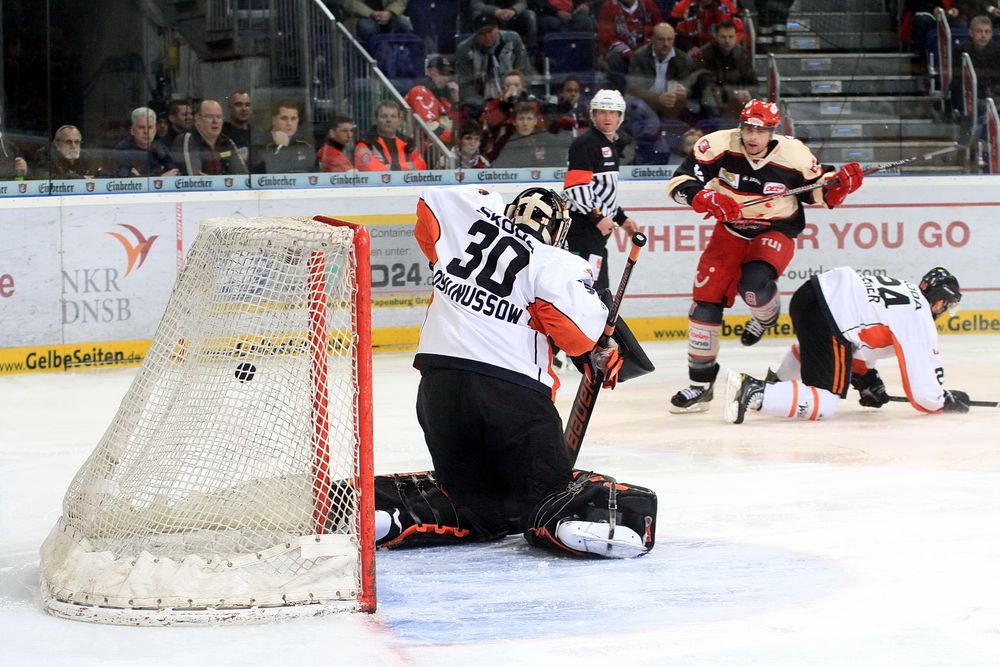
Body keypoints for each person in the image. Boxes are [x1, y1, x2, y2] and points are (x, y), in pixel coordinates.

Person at [371, 184, 656, 559]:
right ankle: (568, 522)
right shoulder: (555, 262)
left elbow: (430, 208)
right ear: (557, 230)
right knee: (545, 495)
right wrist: (602, 350)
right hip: (513, 397)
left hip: (438, 392)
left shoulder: (466, 226)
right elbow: (579, 336)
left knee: (474, 504)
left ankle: (389, 517)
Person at [665, 99, 864, 414]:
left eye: (761, 130)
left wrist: (837, 188)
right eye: (748, 128)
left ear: (773, 131)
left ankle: (764, 317)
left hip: (775, 229)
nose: (753, 136)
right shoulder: (717, 144)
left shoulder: (794, 152)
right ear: (741, 126)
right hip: (729, 231)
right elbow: (680, 182)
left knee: (755, 285)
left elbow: (815, 190)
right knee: (704, 305)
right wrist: (704, 197)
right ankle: (700, 385)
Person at [724, 266, 971, 423]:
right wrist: (943, 401)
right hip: (830, 316)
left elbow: (861, 342)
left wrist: (867, 380)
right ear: (940, 302)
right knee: (825, 402)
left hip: (808, 294)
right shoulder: (919, 317)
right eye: (948, 306)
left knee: (816, 353)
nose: (944, 311)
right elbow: (923, 395)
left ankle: (777, 385)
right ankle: (755, 392)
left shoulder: (904, 290)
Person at [562, 89, 640, 291]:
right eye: (602, 111)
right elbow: (576, 188)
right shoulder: (586, 143)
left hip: (594, 231)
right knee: (588, 286)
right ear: (593, 115)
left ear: (620, 116)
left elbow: (603, 190)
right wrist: (597, 217)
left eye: (613, 112)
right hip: (581, 227)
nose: (607, 117)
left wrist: (621, 218)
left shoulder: (610, 144)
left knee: (597, 285)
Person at [625, 22, 695, 163]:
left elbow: (689, 87)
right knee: (643, 112)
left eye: (670, 40)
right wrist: (657, 99)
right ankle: (644, 159)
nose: (666, 44)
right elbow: (633, 89)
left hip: (671, 105)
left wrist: (684, 92)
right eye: (661, 39)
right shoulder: (640, 57)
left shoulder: (682, 58)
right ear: (653, 39)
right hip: (645, 102)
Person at [454, 13, 531, 120]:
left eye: (490, 31)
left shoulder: (513, 39)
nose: (487, 37)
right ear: (475, 34)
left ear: (497, 28)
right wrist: (486, 106)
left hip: (513, 96)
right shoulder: (464, 49)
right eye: (482, 33)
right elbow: (465, 86)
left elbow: (523, 71)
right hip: (481, 102)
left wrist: (515, 95)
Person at [691, 19, 757, 124]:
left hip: (734, 96)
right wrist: (732, 93)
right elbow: (705, 83)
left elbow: (753, 83)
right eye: (723, 37)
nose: (727, 41)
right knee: (710, 97)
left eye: (731, 37)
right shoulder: (705, 53)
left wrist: (748, 92)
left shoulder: (742, 54)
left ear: (736, 37)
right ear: (716, 37)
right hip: (710, 98)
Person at [596, 0, 663, 90]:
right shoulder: (609, 6)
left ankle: (649, 92)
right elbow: (607, 37)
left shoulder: (648, 4)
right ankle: (621, 91)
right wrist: (629, 54)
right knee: (612, 57)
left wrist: (645, 50)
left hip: (646, 54)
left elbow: (660, 30)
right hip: (623, 57)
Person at [174, 99, 249, 175]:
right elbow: (195, 178)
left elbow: (243, 175)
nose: (215, 121)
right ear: (197, 119)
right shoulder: (188, 138)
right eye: (210, 117)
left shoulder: (226, 141)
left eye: (219, 117)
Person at [353, 99, 427, 170]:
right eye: (384, 116)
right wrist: (408, 166)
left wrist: (391, 167)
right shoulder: (365, 143)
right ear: (376, 119)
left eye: (393, 116)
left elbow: (421, 165)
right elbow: (372, 169)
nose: (389, 120)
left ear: (399, 120)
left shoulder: (408, 143)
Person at [491, 101, 570, 166]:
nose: (525, 123)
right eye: (521, 119)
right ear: (514, 122)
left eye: (529, 119)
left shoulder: (547, 139)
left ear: (535, 121)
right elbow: (496, 165)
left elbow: (559, 163)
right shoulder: (505, 141)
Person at [113, 106, 180, 177]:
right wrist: (160, 177)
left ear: (155, 130)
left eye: (150, 127)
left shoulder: (159, 147)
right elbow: (130, 180)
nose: (146, 132)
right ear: (132, 130)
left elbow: (174, 172)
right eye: (141, 127)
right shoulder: (123, 150)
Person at [255, 100, 315, 173]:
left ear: (298, 120)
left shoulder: (305, 145)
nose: (289, 123)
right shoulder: (261, 144)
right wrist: (281, 146)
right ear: (274, 120)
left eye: (293, 119)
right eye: (284, 118)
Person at [670, 0, 744, 54]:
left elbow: (739, 30)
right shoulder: (681, 8)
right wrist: (690, 47)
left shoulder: (728, 7)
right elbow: (675, 35)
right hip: (695, 51)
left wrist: (728, 43)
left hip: (723, 49)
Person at [32, 125, 105, 179]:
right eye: (68, 142)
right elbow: (44, 177)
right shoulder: (44, 154)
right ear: (56, 143)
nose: (73, 146)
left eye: (77, 142)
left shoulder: (85, 156)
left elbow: (100, 174)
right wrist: (80, 178)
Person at [336, 0, 414, 50]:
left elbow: (401, 1)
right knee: (368, 27)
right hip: (360, 16)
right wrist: (372, 14)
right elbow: (347, 2)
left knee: (404, 25)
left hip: (389, 15)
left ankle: (405, 67)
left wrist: (390, 12)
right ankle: (370, 65)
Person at [471, 0, 538, 50]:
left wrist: (513, 10)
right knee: (477, 14)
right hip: (490, 16)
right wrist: (496, 11)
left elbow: (522, 3)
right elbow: (476, 4)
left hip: (511, 16)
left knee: (530, 15)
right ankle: (478, 52)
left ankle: (531, 53)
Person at [223, 91, 252, 164]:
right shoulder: (221, 135)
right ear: (229, 108)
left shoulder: (256, 134)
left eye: (247, 105)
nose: (244, 108)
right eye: (238, 104)